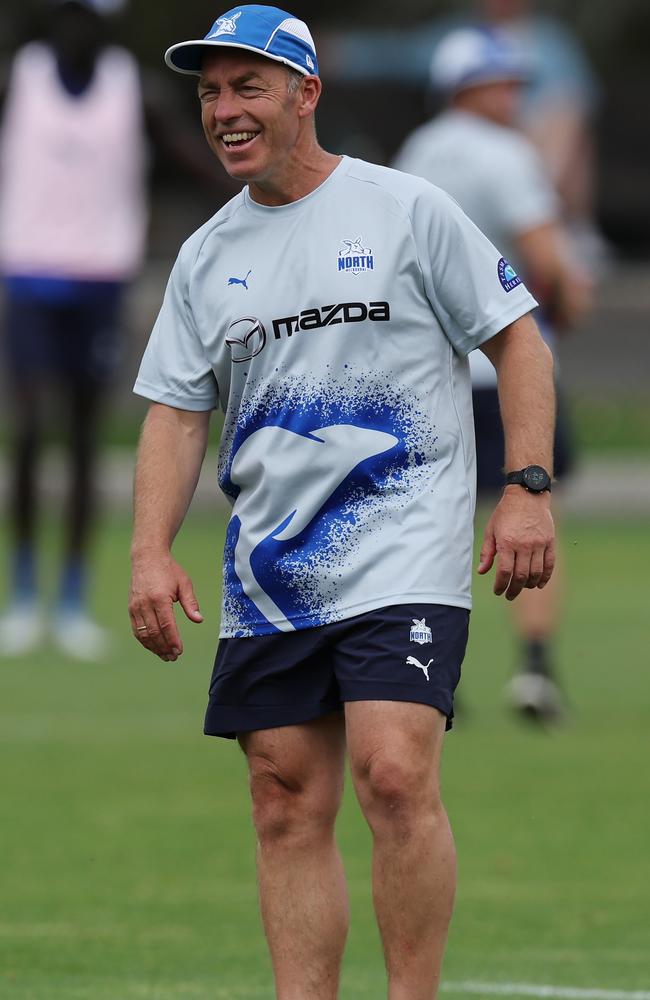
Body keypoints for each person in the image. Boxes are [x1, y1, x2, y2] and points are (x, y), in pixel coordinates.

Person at [129, 6, 556, 997]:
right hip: (273, 567)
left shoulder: (404, 209)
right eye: (209, 94)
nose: (224, 111)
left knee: (393, 772)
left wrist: (525, 487)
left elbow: (518, 339)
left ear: (304, 93)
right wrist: (150, 551)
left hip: (404, 540)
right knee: (282, 796)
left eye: (246, 88)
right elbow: (174, 414)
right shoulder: (205, 257)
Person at [0, 0, 222, 660]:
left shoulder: (133, 86)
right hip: (31, 274)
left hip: (102, 278)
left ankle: (71, 597)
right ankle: (21, 593)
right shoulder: (23, 77)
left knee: (84, 438)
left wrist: (260, 194)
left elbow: (187, 151)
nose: (78, 30)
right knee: (34, 428)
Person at [393, 27, 592, 722]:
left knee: (438, 527)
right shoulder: (505, 154)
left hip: (428, 375)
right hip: (507, 372)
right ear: (469, 89)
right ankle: (534, 672)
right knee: (533, 513)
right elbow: (547, 252)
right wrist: (569, 301)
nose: (514, 92)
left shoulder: (414, 154)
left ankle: (429, 674)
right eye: (501, 80)